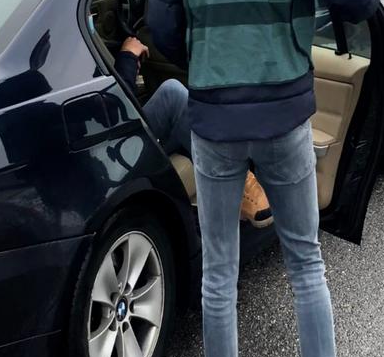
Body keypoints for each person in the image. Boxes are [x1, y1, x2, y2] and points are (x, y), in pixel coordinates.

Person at [147, 0, 381, 357]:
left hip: (213, 120)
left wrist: (209, 64)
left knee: (219, 278)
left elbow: (160, 22)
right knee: (305, 262)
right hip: (284, 112)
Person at [113, 35, 274, 228]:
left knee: (204, 105)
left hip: (121, 143)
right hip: (108, 152)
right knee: (171, 94)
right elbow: (112, 113)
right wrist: (127, 58)